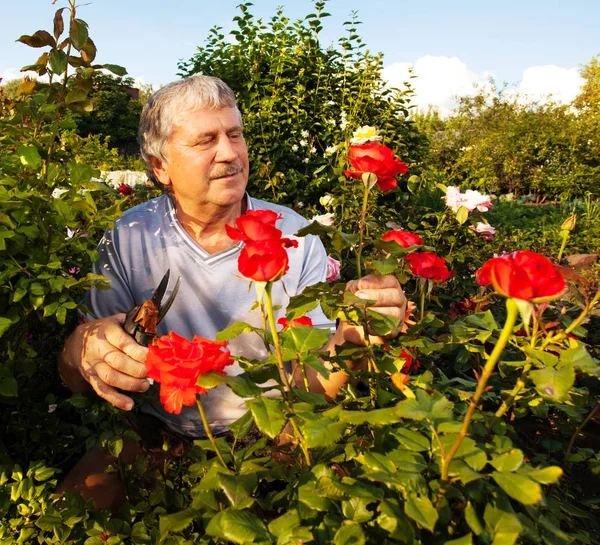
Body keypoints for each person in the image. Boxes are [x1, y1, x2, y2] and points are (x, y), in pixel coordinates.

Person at [57, 75, 407, 509]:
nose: (230, 153)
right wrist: (82, 349)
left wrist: (356, 334)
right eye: (206, 140)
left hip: (271, 431)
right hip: (152, 432)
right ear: (160, 166)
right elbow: (79, 378)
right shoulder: (129, 235)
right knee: (65, 514)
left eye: (234, 134)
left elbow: (310, 384)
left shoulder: (296, 235)